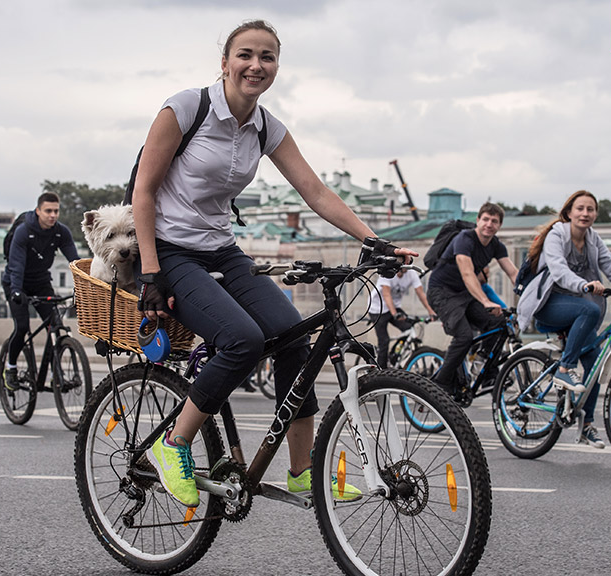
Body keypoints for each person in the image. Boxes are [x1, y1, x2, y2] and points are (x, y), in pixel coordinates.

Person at [132, 20, 416, 508]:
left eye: (267, 57)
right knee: (241, 340)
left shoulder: (265, 127)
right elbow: (144, 190)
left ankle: (302, 471)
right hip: (172, 250)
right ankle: (172, 444)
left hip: (222, 250)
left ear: (276, 67)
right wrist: (152, 274)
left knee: (292, 336)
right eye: (245, 55)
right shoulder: (184, 109)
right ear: (224, 62)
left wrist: (375, 241)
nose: (255, 65)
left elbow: (316, 192)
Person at [516, 190, 611, 449]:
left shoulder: (593, 239)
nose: (585, 213)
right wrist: (584, 286)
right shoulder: (557, 234)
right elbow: (558, 271)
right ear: (569, 212)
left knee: (596, 366)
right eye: (580, 208)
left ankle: (587, 425)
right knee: (589, 311)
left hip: (578, 306)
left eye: (590, 209)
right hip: (548, 304)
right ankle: (565, 369)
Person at [426, 202, 518, 397]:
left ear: (499, 225)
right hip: (442, 292)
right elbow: (468, 274)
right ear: (478, 221)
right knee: (465, 336)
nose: (489, 224)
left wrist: (530, 296)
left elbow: (512, 273)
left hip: (464, 295)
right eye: (485, 219)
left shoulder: (496, 245)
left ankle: (486, 369)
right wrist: (485, 301)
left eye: (494, 221)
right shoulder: (464, 239)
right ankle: (440, 385)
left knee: (498, 323)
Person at [1, 191, 80, 388]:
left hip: (41, 282)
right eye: (48, 211)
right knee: (22, 327)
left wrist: (85, 286)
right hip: (15, 282)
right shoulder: (24, 231)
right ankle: (10, 368)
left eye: (56, 211)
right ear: (38, 211)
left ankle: (56, 374)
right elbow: (16, 265)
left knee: (55, 324)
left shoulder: (61, 232)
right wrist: (17, 291)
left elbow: (76, 262)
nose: (52, 215)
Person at [366, 267, 436, 368]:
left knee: (409, 329)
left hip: (394, 307)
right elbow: (386, 294)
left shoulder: (411, 274)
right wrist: (395, 314)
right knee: (384, 341)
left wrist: (431, 311)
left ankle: (395, 354)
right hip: (377, 309)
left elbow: (420, 293)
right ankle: (381, 371)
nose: (407, 266)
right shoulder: (387, 273)